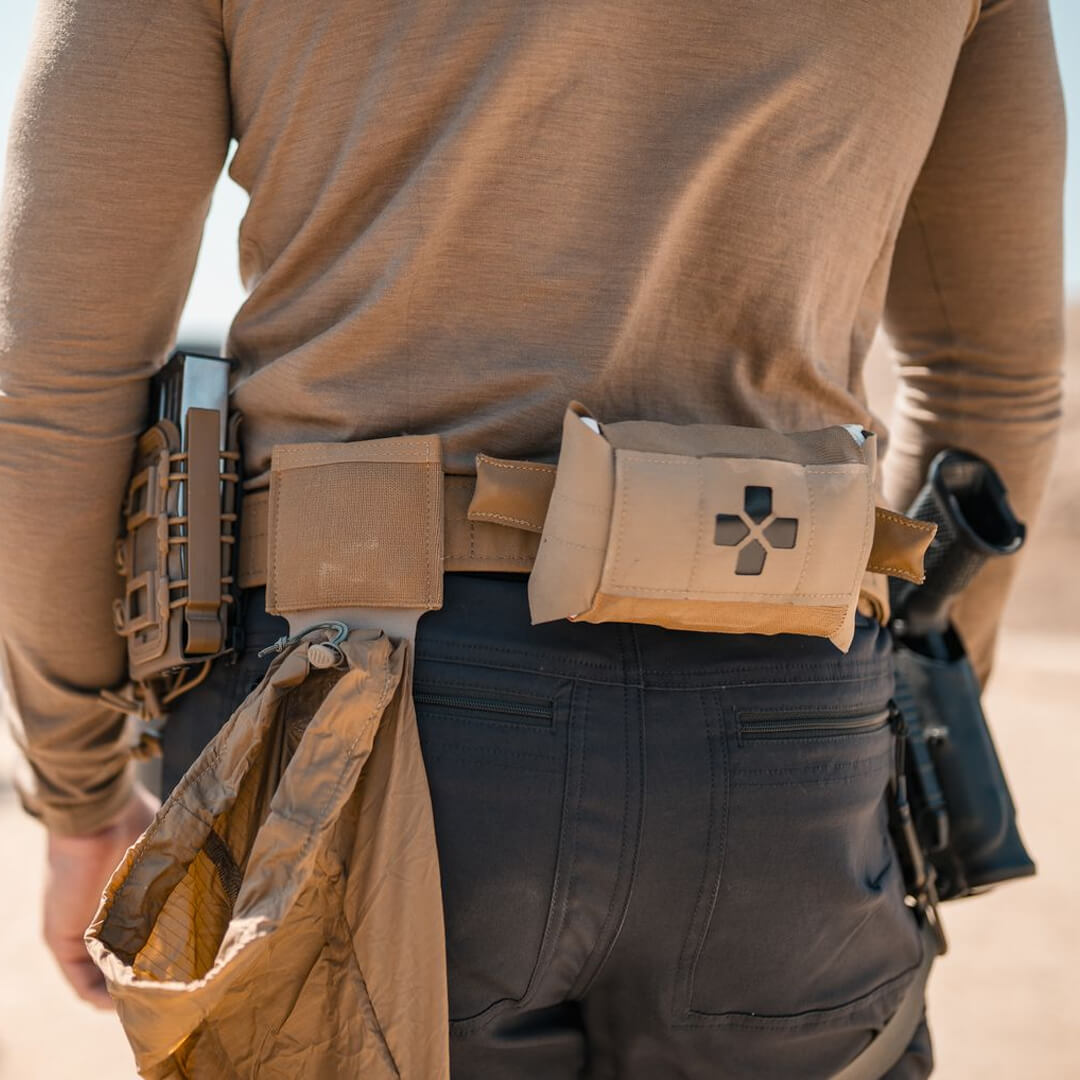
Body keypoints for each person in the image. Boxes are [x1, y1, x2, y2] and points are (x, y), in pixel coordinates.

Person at [0, 0, 1064, 1076]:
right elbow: (993, 385)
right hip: (793, 723)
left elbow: (50, 384)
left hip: (358, 707)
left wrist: (79, 788)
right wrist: (906, 711)